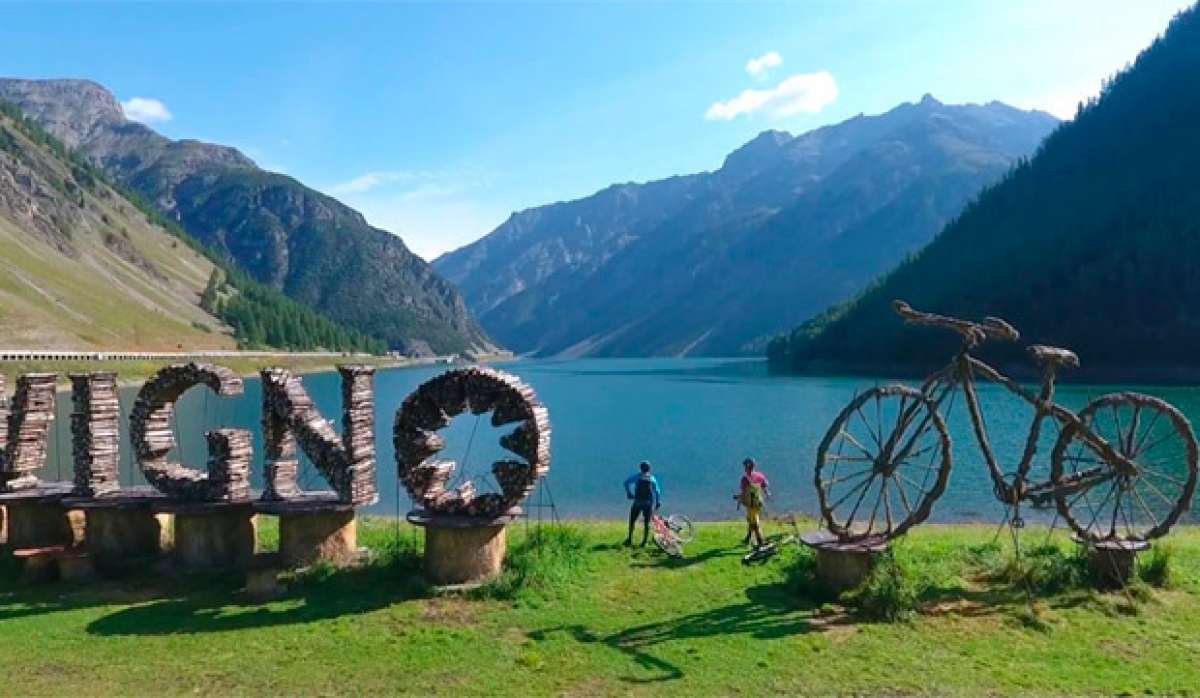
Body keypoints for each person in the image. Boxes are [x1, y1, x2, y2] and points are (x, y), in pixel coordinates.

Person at [623, 461, 662, 546]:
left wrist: (629, 493)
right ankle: (644, 542)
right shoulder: (652, 478)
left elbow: (626, 483)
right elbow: (657, 491)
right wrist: (658, 501)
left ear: (640, 468)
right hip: (648, 503)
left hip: (637, 502)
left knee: (632, 520)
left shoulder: (637, 477)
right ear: (649, 469)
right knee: (646, 522)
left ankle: (629, 539)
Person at [735, 457, 770, 547]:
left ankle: (760, 542)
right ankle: (748, 537)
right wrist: (767, 493)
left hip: (750, 504)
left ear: (746, 467)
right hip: (758, 502)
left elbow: (743, 492)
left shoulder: (744, 479)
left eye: (745, 466)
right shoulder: (760, 475)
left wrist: (738, 498)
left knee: (755, 522)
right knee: (751, 519)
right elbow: (765, 486)